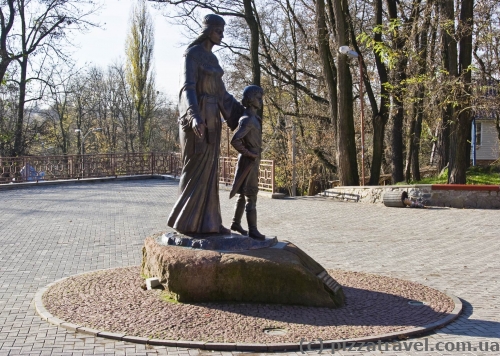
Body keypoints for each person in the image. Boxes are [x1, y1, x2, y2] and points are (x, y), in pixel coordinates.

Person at [167, 14, 244, 235]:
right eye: (219, 30)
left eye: (222, 30)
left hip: (213, 119)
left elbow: (222, 95)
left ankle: (210, 223)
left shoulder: (214, 61)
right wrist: (194, 117)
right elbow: (187, 88)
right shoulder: (192, 55)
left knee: (211, 171)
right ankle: (186, 223)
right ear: (208, 30)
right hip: (197, 120)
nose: (222, 35)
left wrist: (243, 114)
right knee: (193, 169)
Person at [229, 85, 266, 240]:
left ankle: (236, 223)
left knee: (243, 195)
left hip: (251, 160)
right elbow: (235, 140)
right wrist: (250, 153)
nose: (261, 101)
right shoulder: (248, 120)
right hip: (249, 162)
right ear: (251, 100)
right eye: (258, 98)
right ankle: (253, 230)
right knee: (251, 195)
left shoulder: (255, 118)